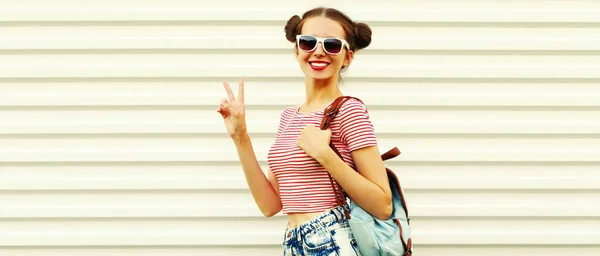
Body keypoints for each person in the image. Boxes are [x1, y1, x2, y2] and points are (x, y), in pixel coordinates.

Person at [217, 7, 393, 255]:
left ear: (348, 56)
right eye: (308, 42)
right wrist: (241, 137)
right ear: (297, 49)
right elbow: (270, 205)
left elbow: (384, 205)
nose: (318, 51)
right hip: (292, 243)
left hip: (331, 239)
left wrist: (326, 155)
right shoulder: (288, 117)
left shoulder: (348, 110)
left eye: (332, 45)